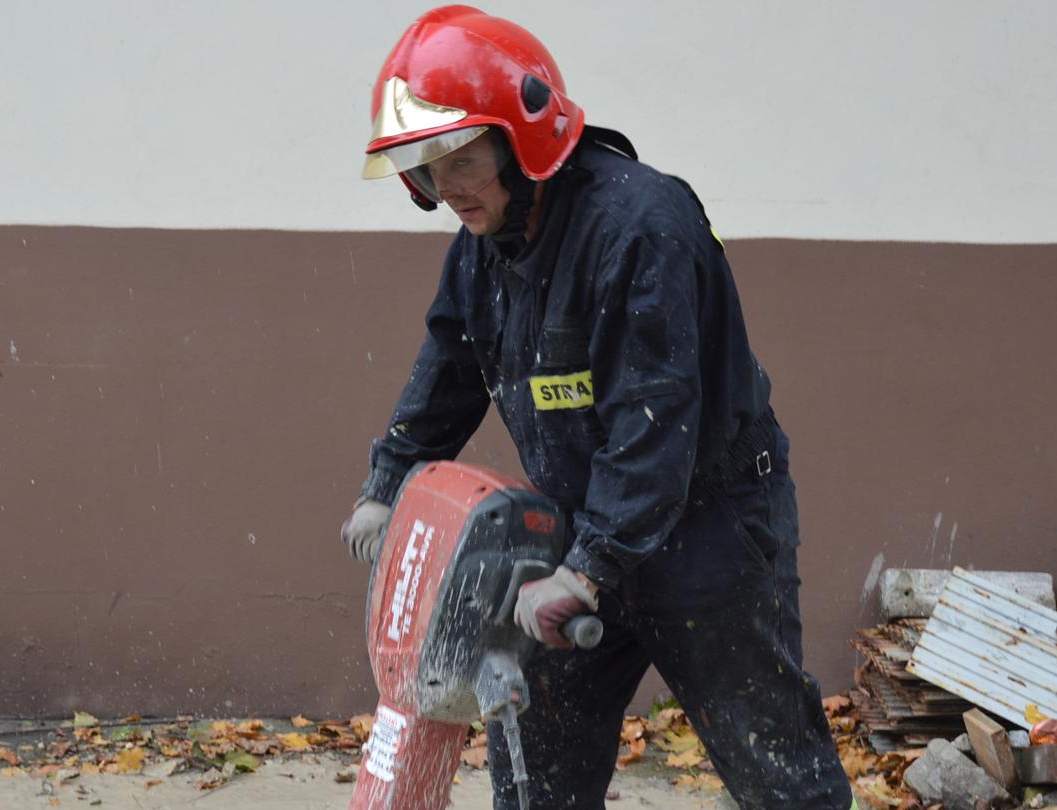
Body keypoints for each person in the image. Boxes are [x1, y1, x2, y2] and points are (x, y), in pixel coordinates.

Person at [341, 6, 852, 809]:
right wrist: (388, 484)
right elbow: (449, 365)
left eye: (462, 159)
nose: (448, 189)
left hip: (707, 530)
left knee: (776, 770)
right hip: (584, 526)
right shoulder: (484, 251)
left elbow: (655, 423)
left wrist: (585, 572)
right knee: (539, 774)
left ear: (523, 138)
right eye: (428, 168)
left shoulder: (642, 228)